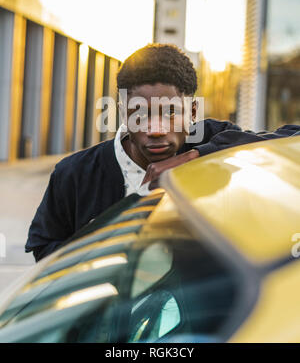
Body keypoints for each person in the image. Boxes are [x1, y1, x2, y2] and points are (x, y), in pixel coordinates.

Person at [25, 44, 300, 261]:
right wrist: (94, 244)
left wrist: (197, 156)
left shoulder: (214, 140)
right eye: (140, 114)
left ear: (192, 112)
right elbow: (43, 246)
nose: (156, 129)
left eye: (170, 112)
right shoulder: (74, 174)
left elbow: (292, 136)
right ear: (123, 111)